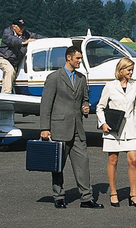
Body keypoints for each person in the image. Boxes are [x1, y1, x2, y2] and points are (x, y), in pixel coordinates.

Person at [40, 46, 103, 209]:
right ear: (68, 58)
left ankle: (87, 198)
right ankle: (59, 196)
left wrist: (86, 106)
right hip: (59, 127)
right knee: (58, 165)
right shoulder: (54, 78)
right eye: (78, 58)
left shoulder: (81, 78)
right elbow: (45, 105)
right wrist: (45, 128)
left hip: (78, 129)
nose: (80, 61)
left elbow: (85, 98)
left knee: (83, 163)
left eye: (80, 58)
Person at [96, 58, 136, 208]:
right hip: (113, 129)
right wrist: (103, 123)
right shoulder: (110, 86)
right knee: (113, 160)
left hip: (130, 128)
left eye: (132, 70)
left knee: (133, 160)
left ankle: (134, 195)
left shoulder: (135, 87)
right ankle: (113, 193)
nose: (131, 72)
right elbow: (100, 107)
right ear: (121, 70)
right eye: (128, 70)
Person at [0, 18, 45, 94]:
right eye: (20, 27)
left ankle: (4, 94)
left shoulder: (25, 34)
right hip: (3, 58)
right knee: (9, 70)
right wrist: (24, 42)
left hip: (15, 62)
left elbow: (36, 36)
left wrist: (50, 39)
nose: (22, 29)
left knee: (10, 75)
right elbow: (12, 40)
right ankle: (6, 93)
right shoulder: (7, 32)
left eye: (23, 27)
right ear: (14, 27)